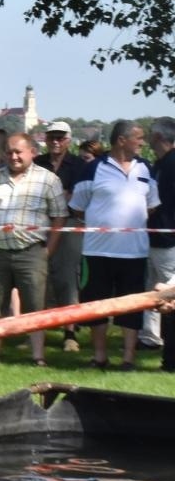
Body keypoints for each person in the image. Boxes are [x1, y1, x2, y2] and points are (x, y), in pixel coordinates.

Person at [70, 119, 160, 370]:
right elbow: (77, 208)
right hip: (97, 251)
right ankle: (99, 357)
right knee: (97, 307)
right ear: (122, 140)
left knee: (131, 308)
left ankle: (128, 359)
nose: (143, 142)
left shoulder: (146, 169)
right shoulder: (93, 169)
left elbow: (151, 206)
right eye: (138, 137)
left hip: (134, 253)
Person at [0, 132, 66, 365]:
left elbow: (59, 217)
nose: (13, 156)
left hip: (31, 252)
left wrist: (47, 251)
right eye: (9, 152)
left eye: (18, 152)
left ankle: (37, 356)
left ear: (32, 152)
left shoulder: (49, 180)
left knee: (36, 308)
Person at [34, 120, 90, 351]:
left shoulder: (79, 165)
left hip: (69, 225)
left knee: (68, 278)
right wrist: (61, 196)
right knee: (39, 279)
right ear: (46, 139)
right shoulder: (37, 163)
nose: (55, 141)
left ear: (68, 140)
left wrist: (61, 198)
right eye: (51, 137)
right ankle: (39, 332)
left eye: (60, 137)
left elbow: (77, 198)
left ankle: (70, 333)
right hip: (40, 224)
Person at [138, 118, 175, 351]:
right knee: (151, 288)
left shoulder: (172, 163)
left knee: (169, 292)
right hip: (153, 238)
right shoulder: (160, 163)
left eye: (150, 134)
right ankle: (151, 337)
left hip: (169, 240)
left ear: (160, 137)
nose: (147, 139)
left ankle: (170, 340)